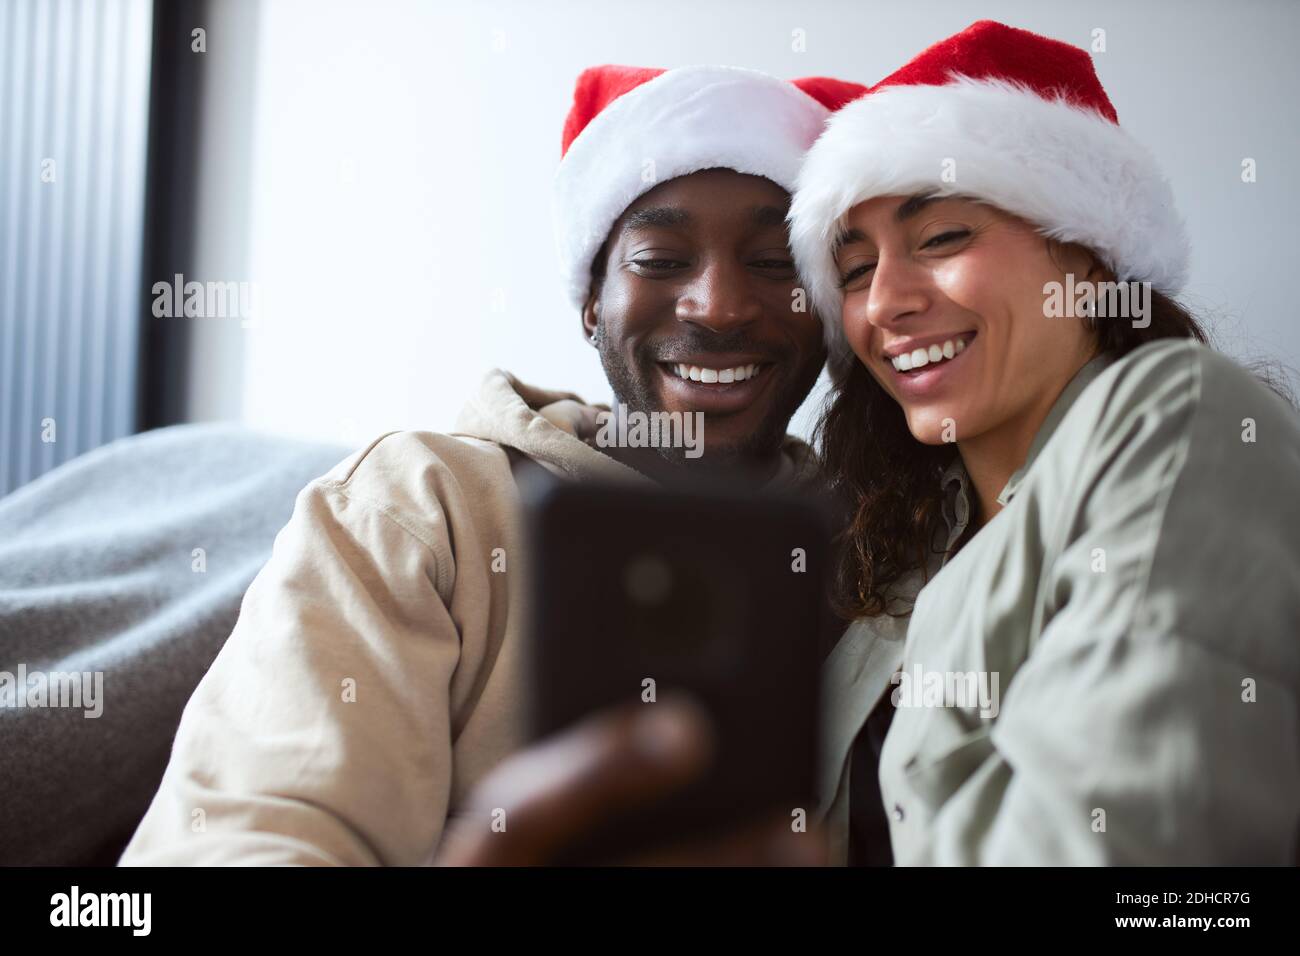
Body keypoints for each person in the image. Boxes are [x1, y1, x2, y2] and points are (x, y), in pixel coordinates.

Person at [119, 64, 874, 865]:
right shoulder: (418, 504)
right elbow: (251, 836)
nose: (717, 305)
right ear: (592, 303)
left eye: (774, 262)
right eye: (658, 259)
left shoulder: (883, 551)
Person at [786, 20, 1300, 864]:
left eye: (942, 237)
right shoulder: (901, 552)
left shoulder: (1173, 418)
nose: (884, 303)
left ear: (1092, 258)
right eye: (852, 271)